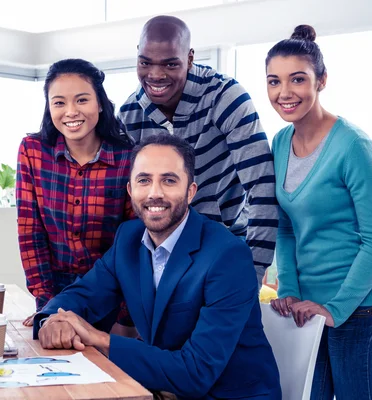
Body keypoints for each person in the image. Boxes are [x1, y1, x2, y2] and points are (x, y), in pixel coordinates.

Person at [33, 134, 281, 400]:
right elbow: (83, 294)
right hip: (162, 390)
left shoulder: (228, 256)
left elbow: (196, 372)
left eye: (169, 180)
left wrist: (101, 339)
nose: (155, 193)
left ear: (191, 191)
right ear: (130, 190)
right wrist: (53, 320)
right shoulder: (128, 238)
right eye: (144, 180)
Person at [267, 25, 372, 400]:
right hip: (309, 311)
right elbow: (286, 228)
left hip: (364, 309)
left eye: (298, 79)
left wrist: (334, 308)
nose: (284, 93)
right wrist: (290, 291)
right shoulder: (280, 142)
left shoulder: (352, 146)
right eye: (274, 82)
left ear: (321, 81)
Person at [117, 15, 277, 286]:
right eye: (145, 62)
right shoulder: (129, 114)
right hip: (163, 259)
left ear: (190, 58)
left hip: (225, 248)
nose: (155, 75)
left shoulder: (225, 96)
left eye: (170, 63)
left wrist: (253, 271)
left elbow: (261, 186)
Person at [16, 58, 135, 331]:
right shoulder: (32, 151)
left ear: (100, 103)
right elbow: (30, 232)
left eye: (82, 100)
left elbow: (134, 243)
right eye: (59, 102)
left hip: (112, 296)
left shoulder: (128, 158)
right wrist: (46, 304)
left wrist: (124, 319)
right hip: (55, 295)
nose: (70, 112)